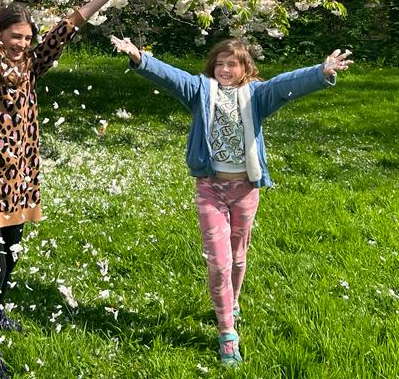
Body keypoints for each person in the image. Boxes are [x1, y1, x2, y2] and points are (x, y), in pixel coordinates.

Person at [109, 35, 353, 367]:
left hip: (245, 190)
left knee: (238, 258)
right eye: (220, 63)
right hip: (210, 188)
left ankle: (232, 302)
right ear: (213, 66)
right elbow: (169, 76)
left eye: (232, 64)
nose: (225, 69)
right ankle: (227, 333)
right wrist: (139, 57)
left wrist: (321, 72)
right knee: (219, 262)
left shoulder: (257, 95)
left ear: (244, 68)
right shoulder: (200, 90)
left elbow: (286, 84)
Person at [0, 0, 134, 378]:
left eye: (26, 37)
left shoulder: (32, 65)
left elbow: (66, 29)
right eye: (14, 36)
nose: (21, 43)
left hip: (20, 173)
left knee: (13, 253)